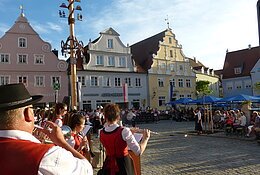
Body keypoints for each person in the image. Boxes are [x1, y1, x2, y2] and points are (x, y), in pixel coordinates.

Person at [0, 83, 93, 175]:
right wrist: (62, 143)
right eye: (32, 109)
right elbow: (86, 170)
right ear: (28, 114)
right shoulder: (47, 155)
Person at [99, 103, 150, 175]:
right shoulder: (124, 131)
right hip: (123, 164)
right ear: (118, 117)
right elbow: (138, 152)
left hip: (108, 164)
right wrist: (145, 138)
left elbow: (114, 140)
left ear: (105, 117)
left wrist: (130, 133)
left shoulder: (101, 132)